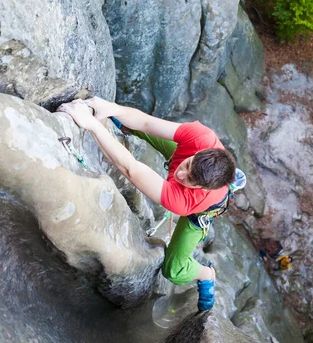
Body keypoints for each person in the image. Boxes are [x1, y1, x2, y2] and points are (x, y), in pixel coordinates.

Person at [57, 97, 245, 311]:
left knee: (173, 270)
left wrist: (91, 124)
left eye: (189, 179)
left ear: (202, 188)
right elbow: (146, 122)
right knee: (141, 127)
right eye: (189, 164)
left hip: (201, 211)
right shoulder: (202, 138)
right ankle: (131, 127)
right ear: (200, 152)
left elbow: (130, 168)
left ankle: (206, 274)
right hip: (188, 155)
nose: (180, 173)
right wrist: (110, 108)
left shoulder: (183, 202)